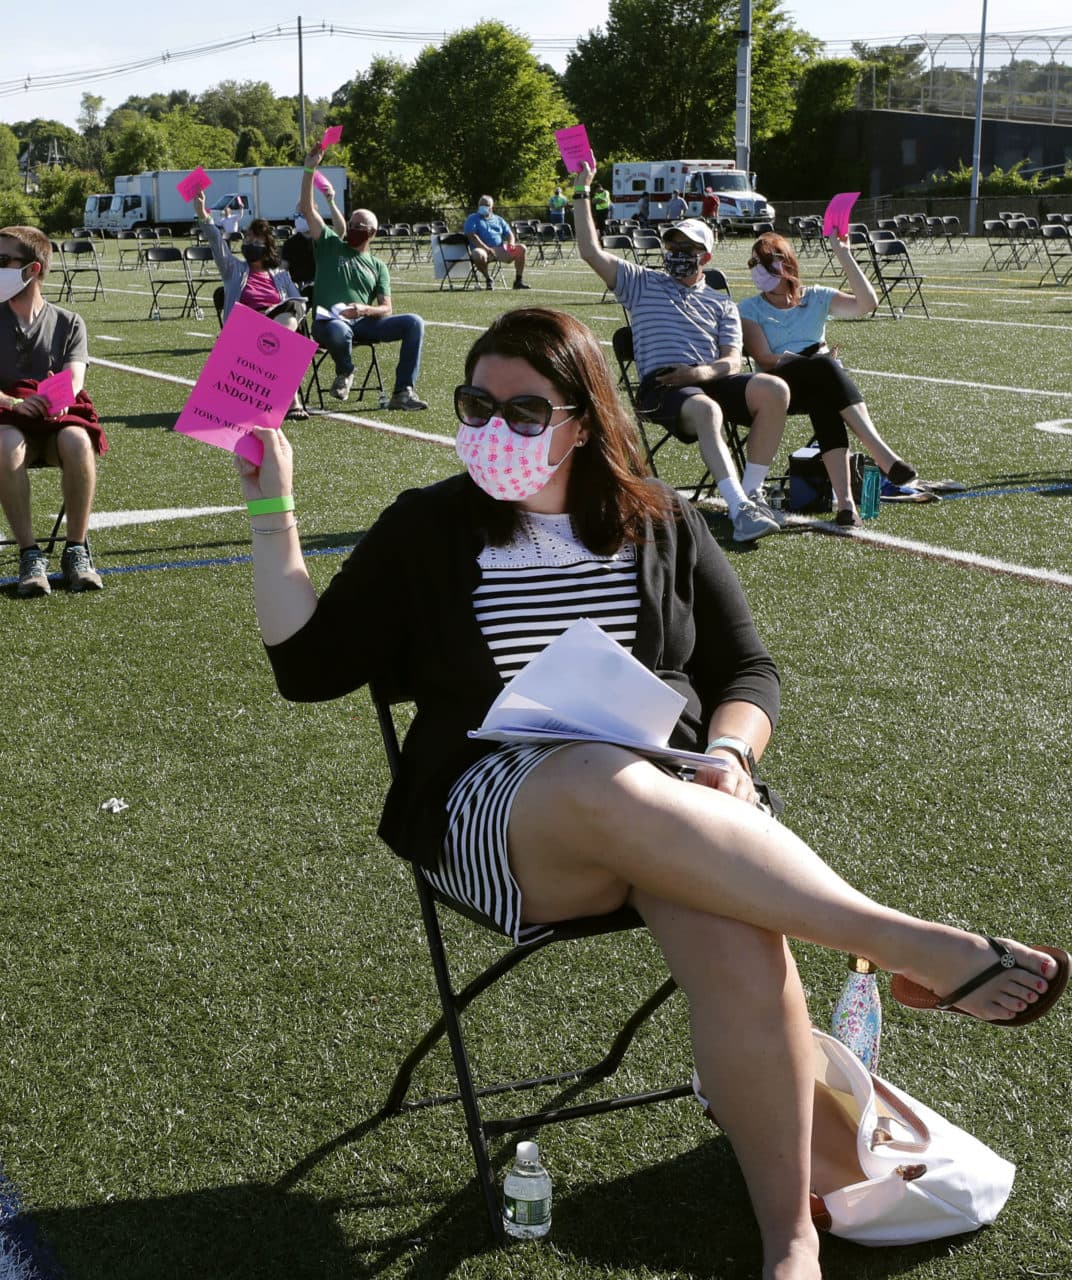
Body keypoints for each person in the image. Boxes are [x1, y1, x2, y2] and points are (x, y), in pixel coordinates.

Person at [235, 304, 1067, 1280]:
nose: (491, 427)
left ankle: (790, 1241)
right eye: (475, 404)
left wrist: (730, 754)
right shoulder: (428, 524)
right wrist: (272, 508)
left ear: (584, 420)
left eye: (524, 409)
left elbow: (748, 673)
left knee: (744, 941)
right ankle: (900, 938)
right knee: (597, 771)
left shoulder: (661, 518)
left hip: (674, 803)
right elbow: (310, 667)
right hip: (499, 815)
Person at [570, 160, 788, 542]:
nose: (676, 252)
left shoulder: (721, 304)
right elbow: (590, 249)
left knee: (775, 390)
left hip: (709, 380)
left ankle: (753, 493)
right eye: (672, 245)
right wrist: (581, 191)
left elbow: (731, 361)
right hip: (664, 387)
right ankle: (740, 511)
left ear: (705, 257)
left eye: (688, 248)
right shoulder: (642, 282)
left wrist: (700, 374)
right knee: (708, 409)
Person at [738, 231, 918, 526]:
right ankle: (882, 455)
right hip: (777, 388)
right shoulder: (749, 308)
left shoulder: (815, 297)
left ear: (787, 266)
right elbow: (764, 357)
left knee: (825, 394)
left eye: (766, 262)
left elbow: (867, 304)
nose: (758, 269)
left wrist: (844, 253)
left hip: (820, 384)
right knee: (825, 368)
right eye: (754, 262)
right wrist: (806, 361)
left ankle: (847, 507)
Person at [0, 225, 103, 595]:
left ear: (33, 269)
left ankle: (76, 549)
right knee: (9, 443)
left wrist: (56, 401)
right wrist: (14, 403)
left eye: (3, 260)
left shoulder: (70, 322)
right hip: (6, 422)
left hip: (56, 422)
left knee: (77, 438)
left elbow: (74, 381)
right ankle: (29, 554)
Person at [298, 140, 428, 411]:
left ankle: (403, 391)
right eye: (352, 222)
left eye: (360, 225)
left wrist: (364, 309)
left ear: (372, 233)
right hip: (327, 322)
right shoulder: (331, 245)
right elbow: (308, 209)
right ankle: (346, 371)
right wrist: (309, 170)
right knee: (337, 329)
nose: (353, 227)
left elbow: (386, 308)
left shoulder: (378, 266)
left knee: (413, 322)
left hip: (363, 322)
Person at [194, 192, 308, 419]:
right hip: (245, 326)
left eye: (256, 242)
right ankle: (293, 402)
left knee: (294, 307)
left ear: (267, 247)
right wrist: (202, 213)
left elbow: (300, 306)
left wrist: (274, 317)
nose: (250, 244)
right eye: (247, 240)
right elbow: (217, 242)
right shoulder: (233, 269)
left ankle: (276, 344)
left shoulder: (282, 276)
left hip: (276, 324)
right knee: (286, 341)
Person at [463, 194, 530, 291]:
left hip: (500, 250)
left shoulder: (498, 219)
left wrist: (511, 243)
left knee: (521, 248)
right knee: (477, 254)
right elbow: (472, 236)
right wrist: (487, 249)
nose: (483, 207)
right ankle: (488, 279)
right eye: (481, 204)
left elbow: (509, 234)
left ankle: (518, 281)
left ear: (491, 207)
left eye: (486, 205)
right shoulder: (472, 218)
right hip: (483, 251)